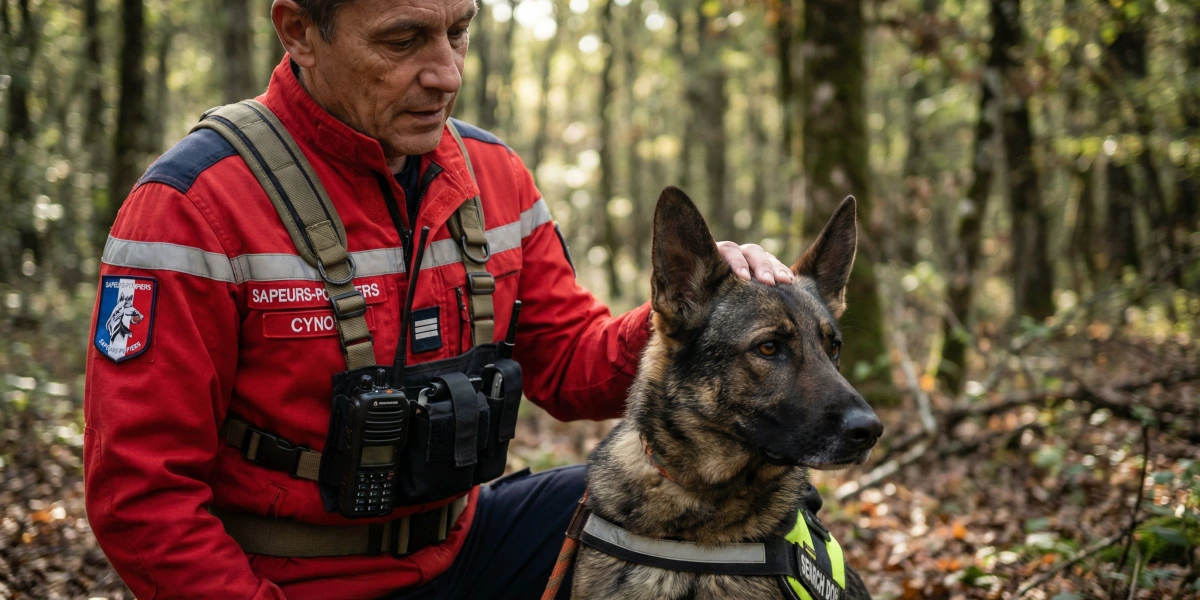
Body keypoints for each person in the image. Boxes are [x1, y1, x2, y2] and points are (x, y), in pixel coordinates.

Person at [83, 0, 796, 598]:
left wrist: (698, 318)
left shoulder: (494, 175)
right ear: (299, 31)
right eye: (403, 40)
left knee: (760, 512)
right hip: (293, 579)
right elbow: (141, 496)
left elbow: (570, 365)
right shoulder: (192, 206)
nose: (447, 73)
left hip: (466, 546)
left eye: (458, 31)